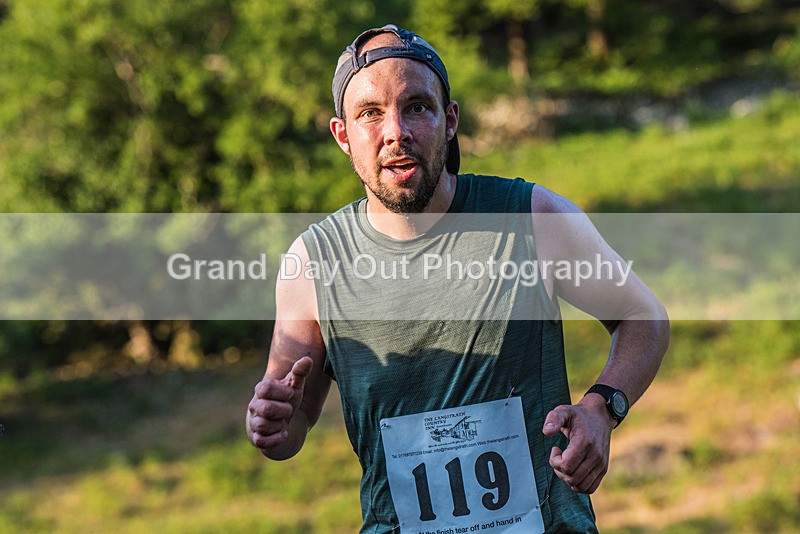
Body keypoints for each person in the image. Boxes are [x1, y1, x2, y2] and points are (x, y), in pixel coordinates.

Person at [246, 24, 669, 533]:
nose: (395, 130)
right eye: (370, 113)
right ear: (343, 135)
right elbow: (291, 426)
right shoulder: (313, 263)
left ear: (449, 121)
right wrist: (273, 424)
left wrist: (604, 407)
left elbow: (642, 315)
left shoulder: (530, 218)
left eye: (417, 107)